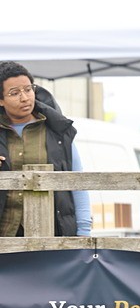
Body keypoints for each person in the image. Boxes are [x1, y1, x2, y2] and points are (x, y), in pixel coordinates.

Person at [0, 62, 91, 237]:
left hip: (50, 235)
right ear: (1, 100)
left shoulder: (58, 133)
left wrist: (84, 233)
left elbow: (78, 184)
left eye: (28, 89)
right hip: (4, 237)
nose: (25, 98)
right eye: (14, 93)